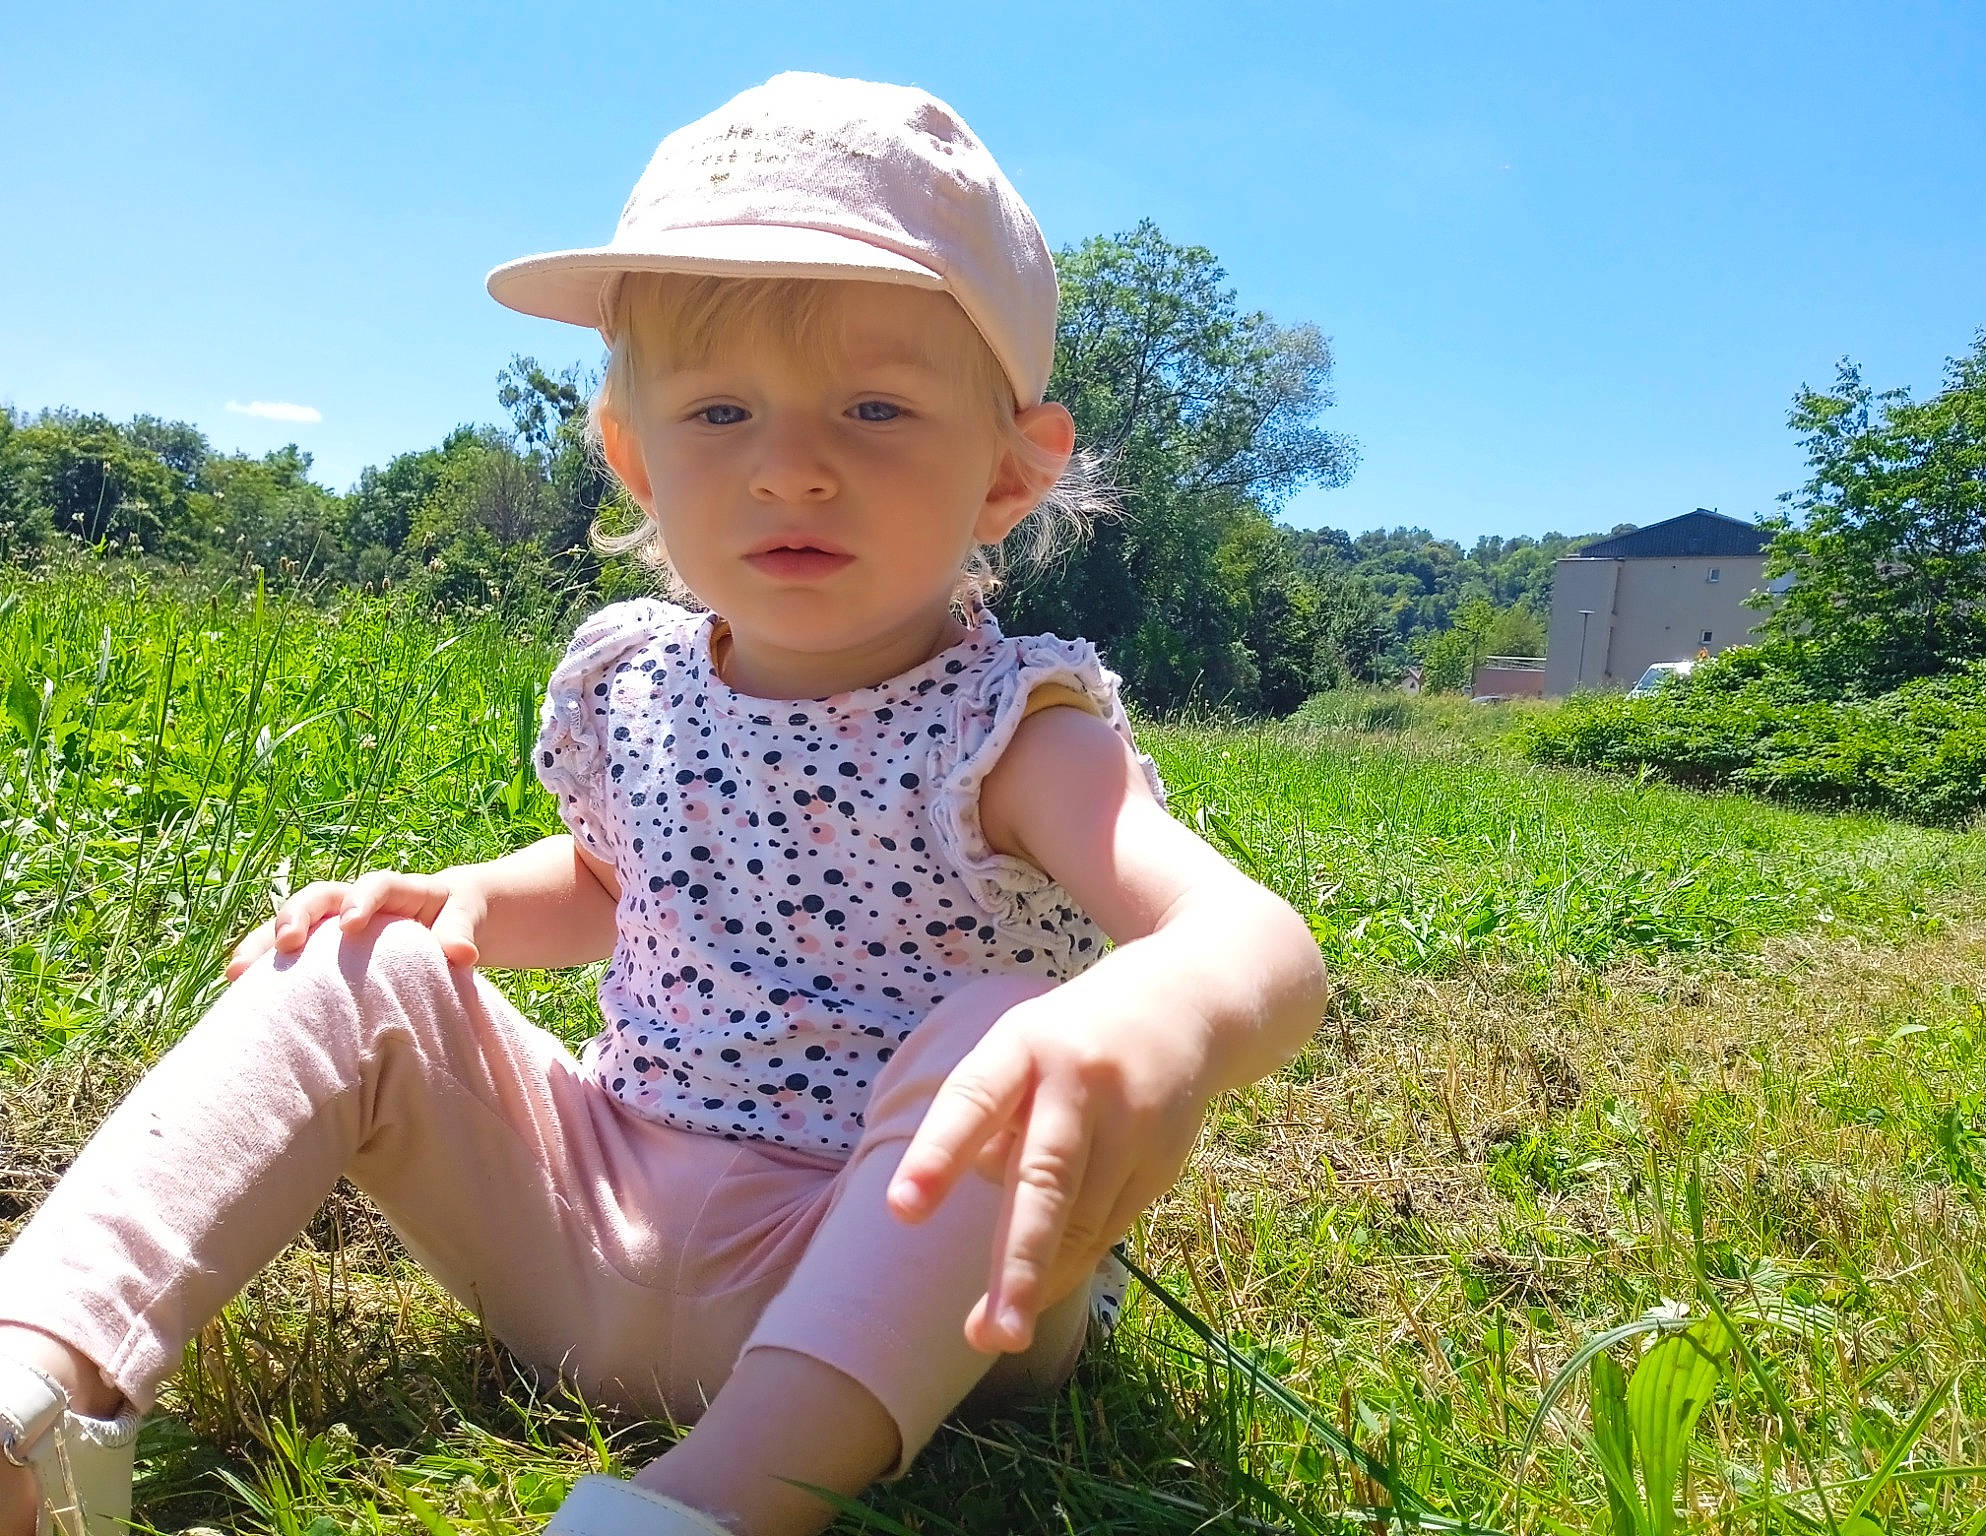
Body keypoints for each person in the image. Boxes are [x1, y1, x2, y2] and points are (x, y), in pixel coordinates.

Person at [0, 72, 1329, 1536]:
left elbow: (1255, 945)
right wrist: (460, 907)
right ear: (634, 452)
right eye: (719, 410)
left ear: (1012, 470)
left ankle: (716, 1501)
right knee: (356, 960)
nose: (792, 466)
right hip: (591, 1228)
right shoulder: (634, 684)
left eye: (877, 407)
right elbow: (616, 880)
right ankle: (44, 1380)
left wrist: (1148, 1016)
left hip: (900, 1285)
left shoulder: (1009, 730)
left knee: (1007, 1034)